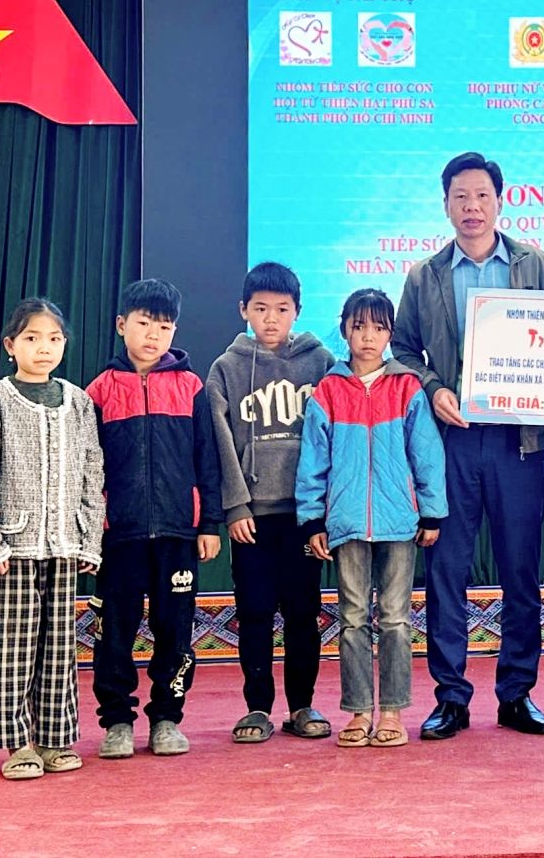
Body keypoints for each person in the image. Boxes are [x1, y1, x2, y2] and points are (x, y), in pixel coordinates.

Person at [391, 151, 544, 740]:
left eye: (482, 195)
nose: (472, 207)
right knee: (446, 571)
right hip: (452, 443)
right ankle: (451, 697)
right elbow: (404, 351)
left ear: (500, 201)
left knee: (521, 570)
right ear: (445, 205)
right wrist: (432, 387)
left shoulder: (535, 264)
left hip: (520, 442)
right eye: (460, 196)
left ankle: (517, 693)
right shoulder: (425, 276)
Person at [0, 298, 104, 780]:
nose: (45, 348)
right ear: (10, 345)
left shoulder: (79, 402)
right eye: (33, 338)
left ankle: (54, 739)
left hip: (63, 548)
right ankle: (17, 743)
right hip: (11, 550)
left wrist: (88, 539)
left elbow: (92, 473)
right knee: (9, 649)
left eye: (54, 339)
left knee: (58, 649)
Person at [297, 288, 447, 749]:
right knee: (353, 619)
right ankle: (360, 711)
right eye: (359, 326)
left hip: (399, 522)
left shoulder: (407, 388)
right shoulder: (328, 390)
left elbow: (426, 454)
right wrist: (313, 519)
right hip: (345, 525)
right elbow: (312, 460)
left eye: (378, 328)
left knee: (396, 619)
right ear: (344, 329)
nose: (367, 336)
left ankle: (394, 712)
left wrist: (431, 512)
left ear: (390, 334)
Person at [87, 279, 224, 759]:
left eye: (164, 327)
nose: (153, 335)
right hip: (118, 535)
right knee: (114, 632)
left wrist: (209, 523)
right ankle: (117, 721)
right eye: (144, 323)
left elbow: (208, 459)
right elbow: (86, 468)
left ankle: (167, 718)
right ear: (121, 324)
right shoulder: (98, 391)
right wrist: (92, 527)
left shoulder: (192, 387)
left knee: (175, 631)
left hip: (177, 533)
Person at [206, 262, 335, 744]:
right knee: (255, 612)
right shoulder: (227, 368)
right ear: (244, 310)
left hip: (304, 517)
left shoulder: (320, 363)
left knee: (303, 612)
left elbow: (335, 437)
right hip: (253, 519)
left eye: (282, 309)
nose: (271, 318)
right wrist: (236, 506)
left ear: (297, 311)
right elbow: (220, 441)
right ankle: (257, 708)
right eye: (260, 308)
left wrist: (321, 510)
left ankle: (302, 705)